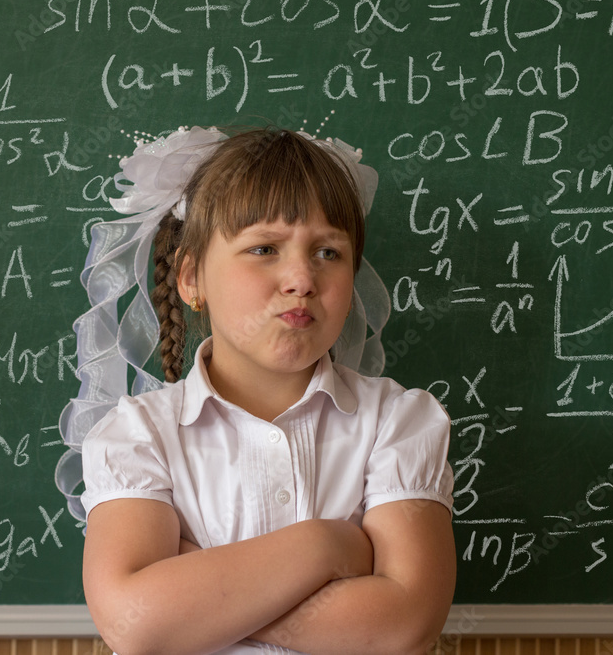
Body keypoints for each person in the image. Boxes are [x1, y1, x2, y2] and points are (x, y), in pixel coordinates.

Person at [57, 126, 455, 654]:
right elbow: (137, 626)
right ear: (191, 277)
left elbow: (404, 627)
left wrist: (196, 590)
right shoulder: (137, 435)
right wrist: (329, 545)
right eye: (264, 247)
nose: (301, 278)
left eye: (328, 253)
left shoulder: (397, 422)